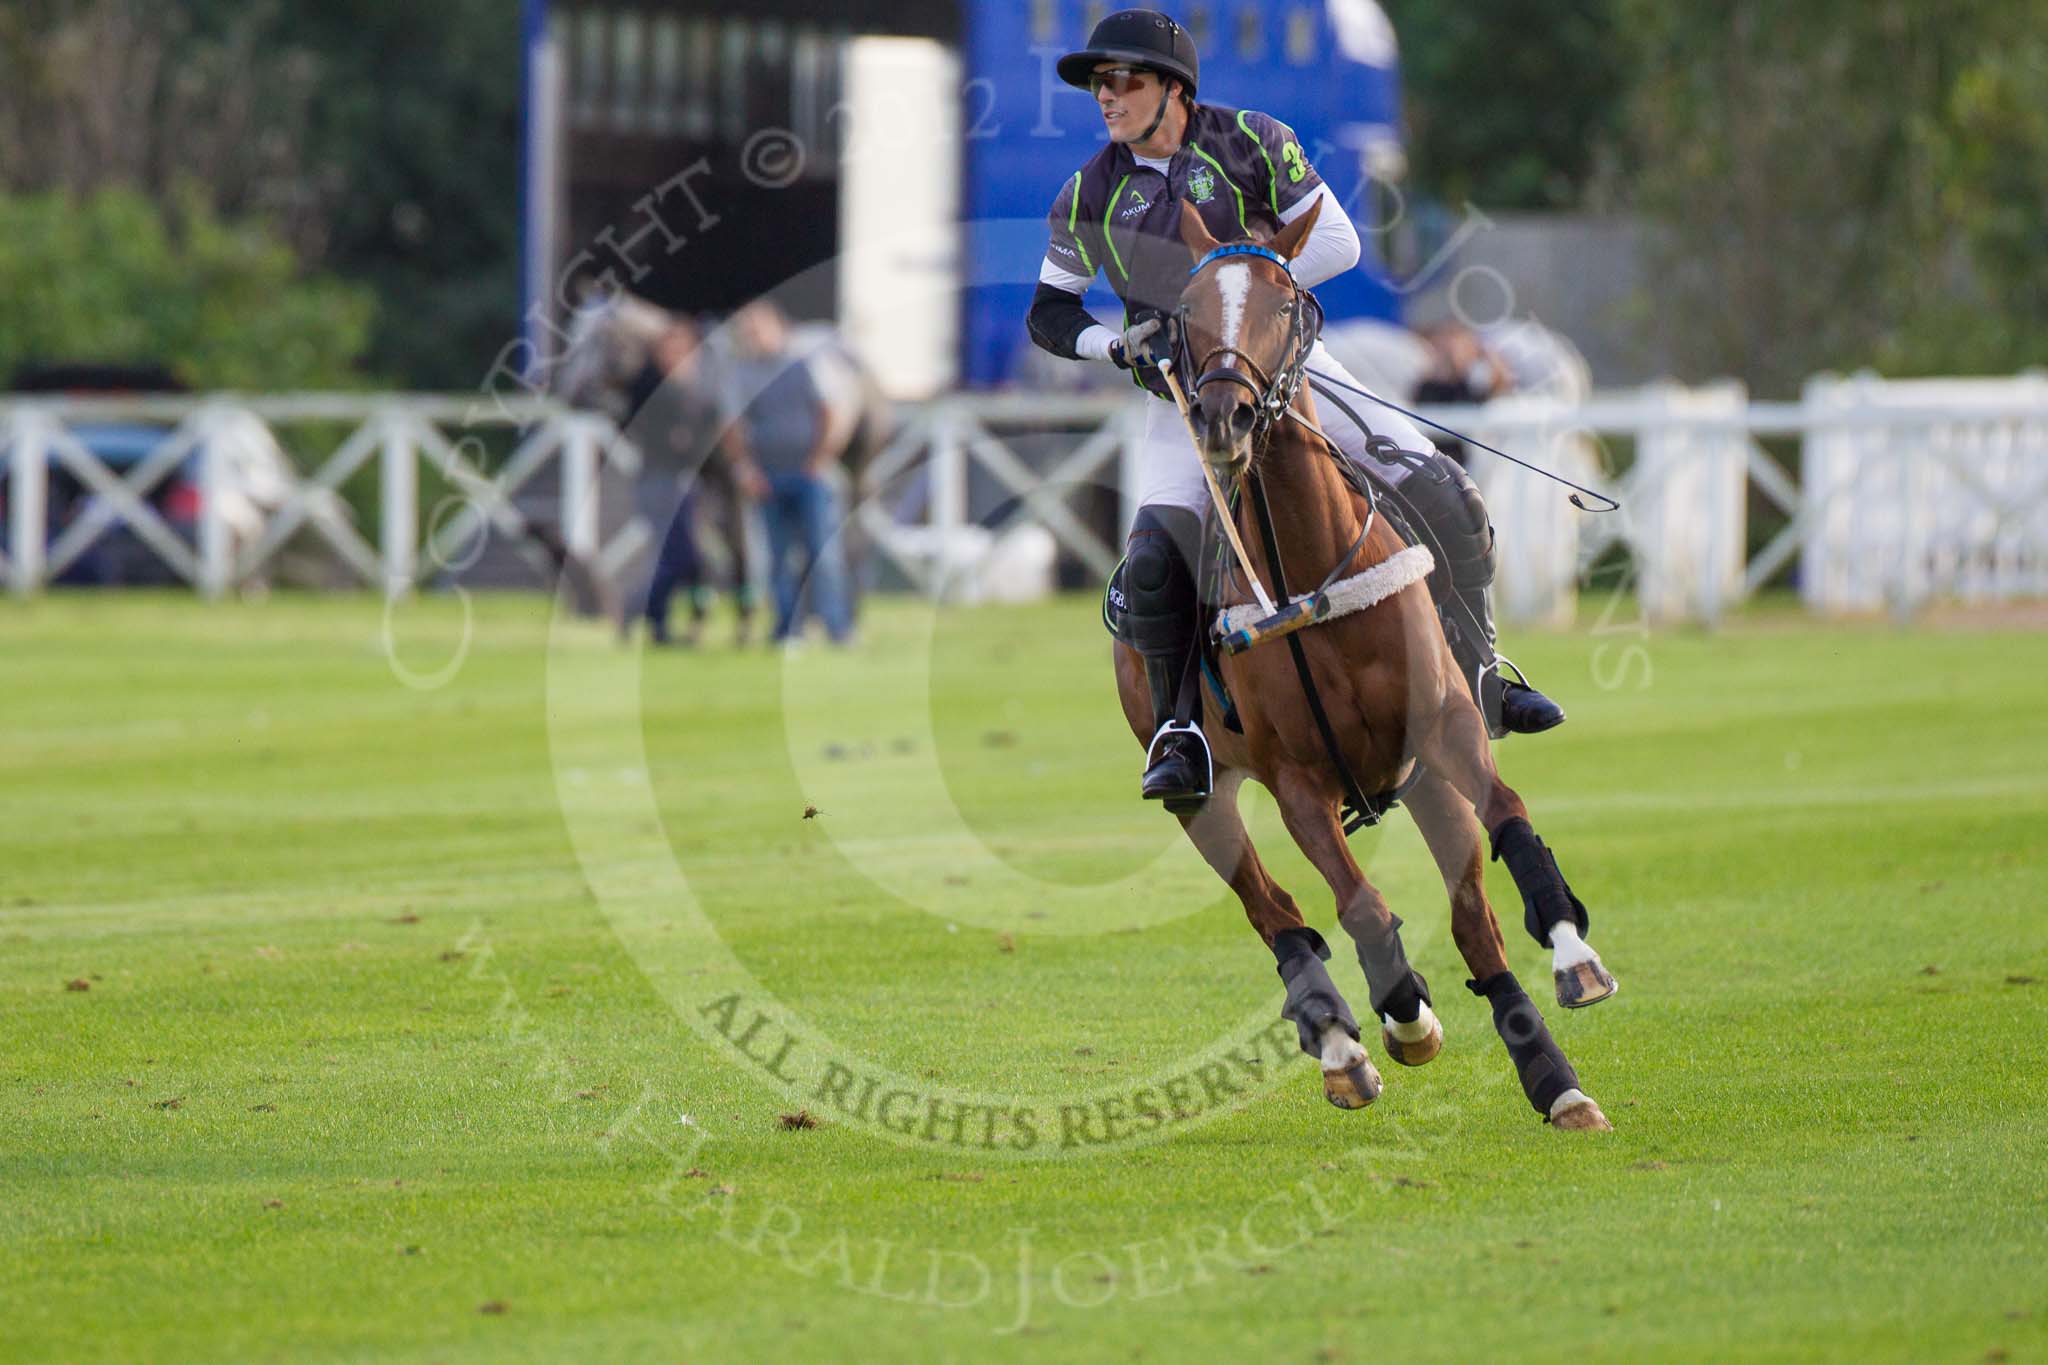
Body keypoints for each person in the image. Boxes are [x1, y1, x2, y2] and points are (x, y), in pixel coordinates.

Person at [1025, 8, 1565, 809]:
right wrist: (1113, 345)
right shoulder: (1087, 193)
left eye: (1123, 80)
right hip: (1179, 401)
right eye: (1099, 84)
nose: (1107, 97)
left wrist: (1245, 301)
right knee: (1150, 565)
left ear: (1172, 87)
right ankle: (1182, 732)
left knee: (1448, 492)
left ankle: (1484, 673)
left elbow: (1340, 241)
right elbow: (1049, 311)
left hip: (1296, 372)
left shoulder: (1251, 139)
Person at [719, 300, 860, 646]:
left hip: (809, 475)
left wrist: (819, 460)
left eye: (758, 328)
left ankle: (837, 628)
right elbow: (733, 427)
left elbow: (831, 413)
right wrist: (747, 471)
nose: (752, 336)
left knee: (824, 555)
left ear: (778, 327)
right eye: (746, 330)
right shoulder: (741, 372)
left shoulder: (805, 364)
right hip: (768, 476)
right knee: (776, 559)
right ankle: (787, 629)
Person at [623, 318, 722, 646]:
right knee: (678, 557)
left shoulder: (699, 387)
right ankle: (641, 613)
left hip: (687, 483)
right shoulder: (649, 386)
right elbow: (655, 433)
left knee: (685, 559)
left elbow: (708, 431)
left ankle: (654, 621)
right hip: (658, 480)